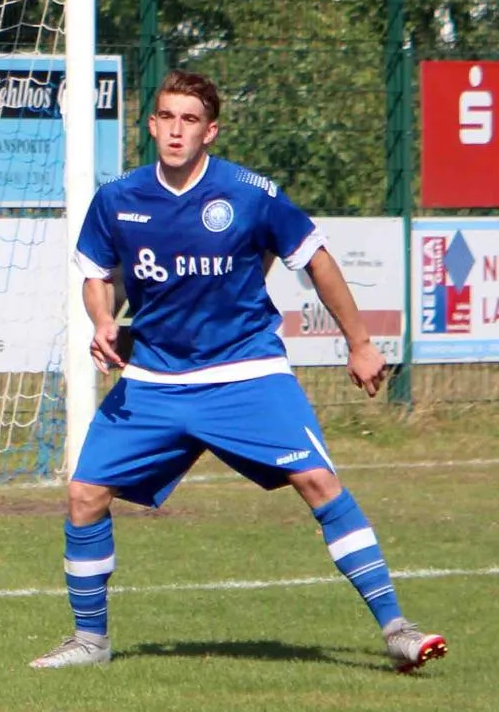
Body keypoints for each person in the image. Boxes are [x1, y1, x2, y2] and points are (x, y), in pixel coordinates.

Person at [31, 69, 448, 673]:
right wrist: (102, 320)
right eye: (166, 117)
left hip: (246, 372)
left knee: (318, 481)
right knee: (84, 493)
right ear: (152, 125)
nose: (176, 130)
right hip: (155, 380)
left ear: (211, 131)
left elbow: (317, 260)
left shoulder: (250, 194)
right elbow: (97, 275)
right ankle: (90, 642)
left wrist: (359, 343)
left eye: (190, 120)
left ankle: (398, 630)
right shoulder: (118, 197)